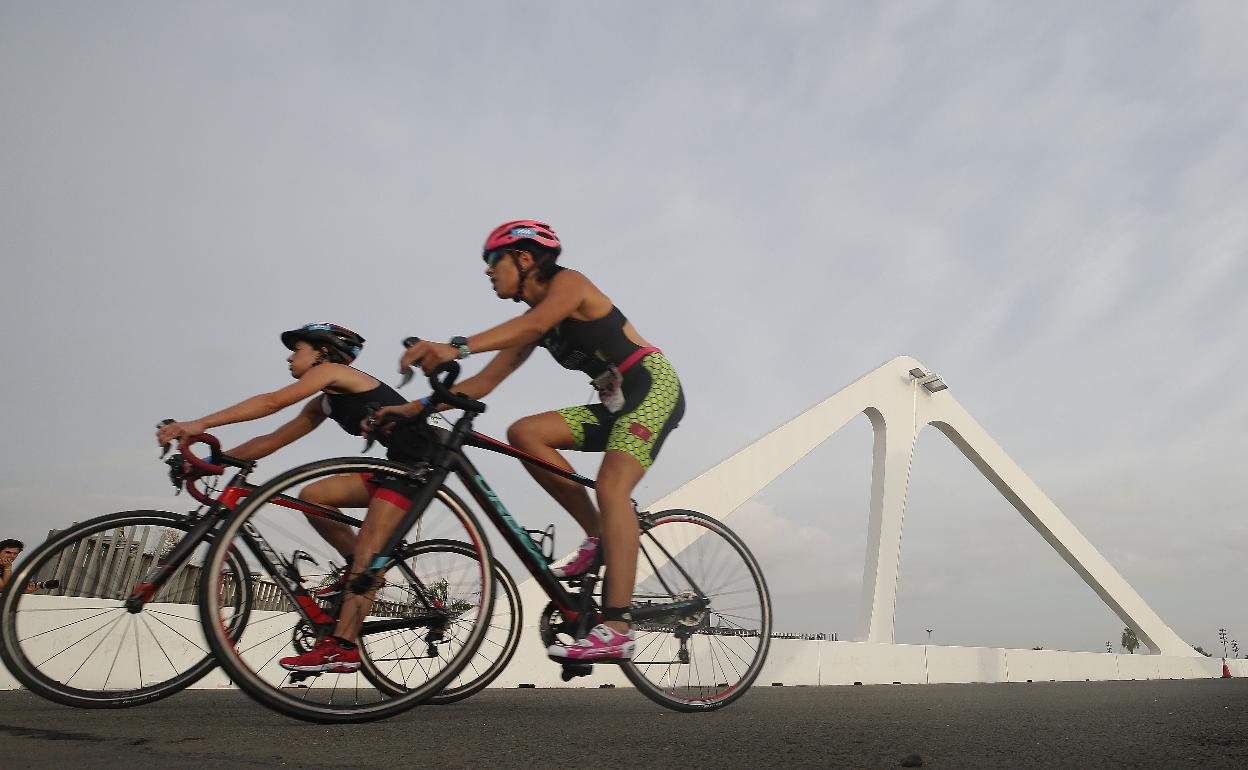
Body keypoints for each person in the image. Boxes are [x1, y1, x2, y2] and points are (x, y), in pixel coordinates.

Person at [387, 219, 686, 662]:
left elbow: (535, 324)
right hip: (616, 406)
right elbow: (484, 383)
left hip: (652, 387)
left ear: (524, 258)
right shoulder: (533, 325)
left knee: (611, 486)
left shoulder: (570, 284)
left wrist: (457, 346)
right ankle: (598, 534)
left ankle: (618, 626)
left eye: (494, 262)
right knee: (525, 432)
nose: (488, 273)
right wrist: (412, 409)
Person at [156, 323, 419, 673]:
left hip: (419, 469)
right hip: (394, 467)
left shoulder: (334, 372)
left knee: (367, 559)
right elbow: (272, 439)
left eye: (297, 350)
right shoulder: (325, 402)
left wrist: (198, 424)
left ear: (322, 353)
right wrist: (209, 464)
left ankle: (342, 647)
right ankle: (358, 569)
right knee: (314, 495)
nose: (290, 356)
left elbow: (272, 402)